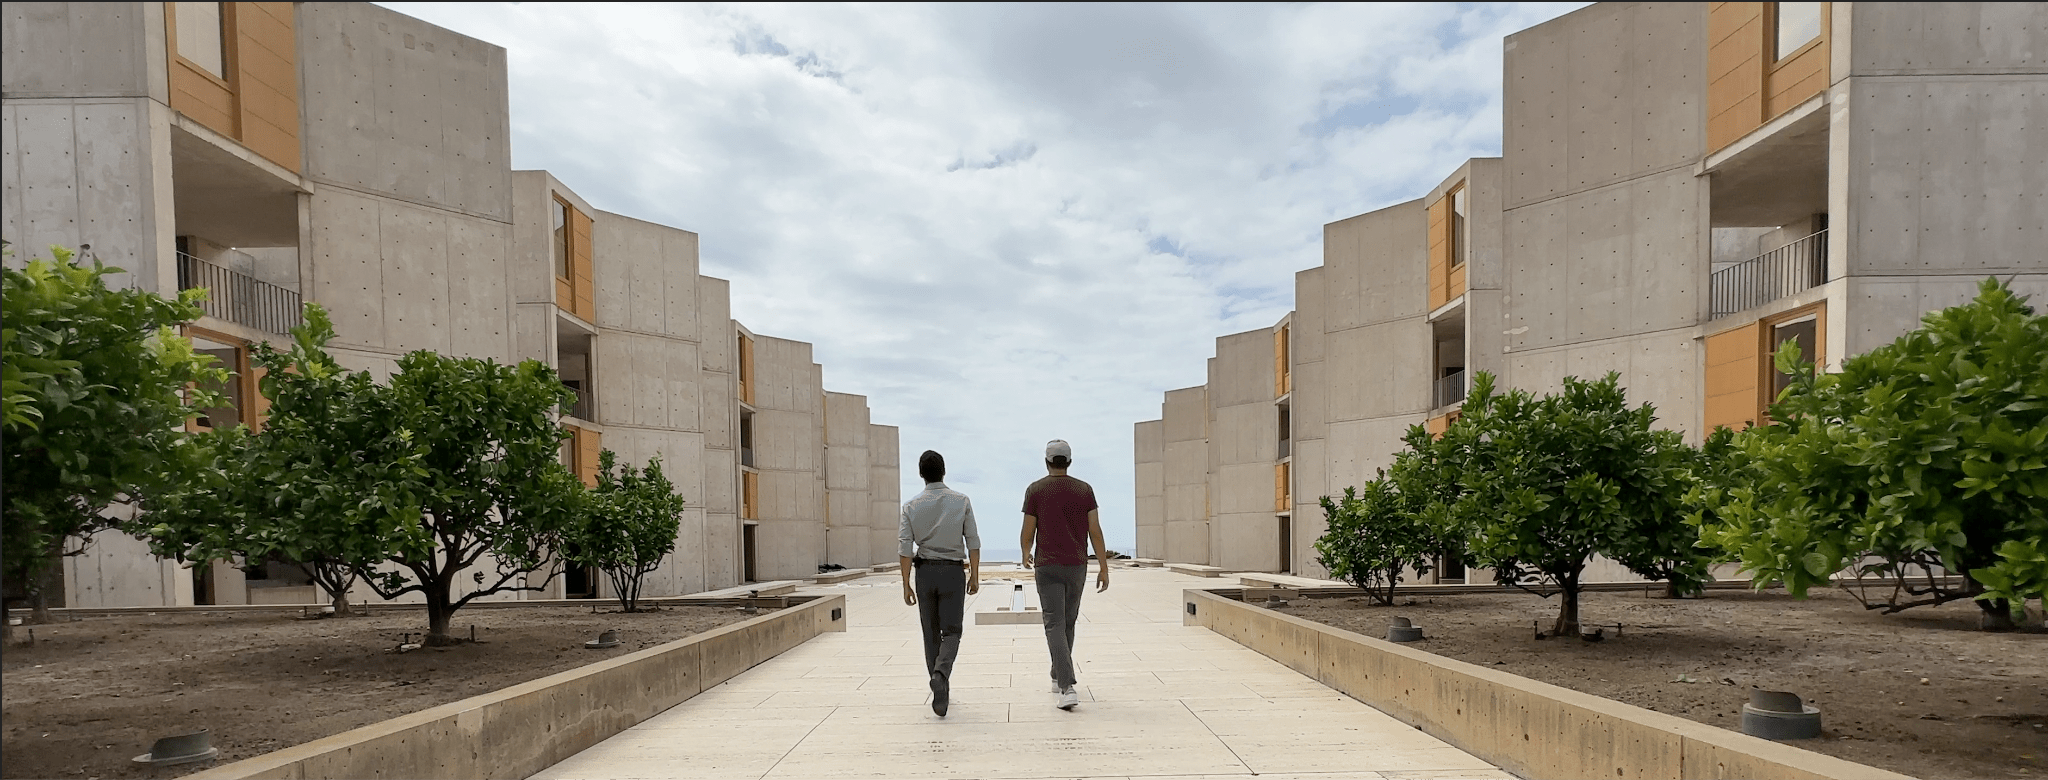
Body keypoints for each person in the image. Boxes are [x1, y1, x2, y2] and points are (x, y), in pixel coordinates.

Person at [1019, 439, 1108, 711]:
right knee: (1067, 622)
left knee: (1054, 623)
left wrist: (1025, 552)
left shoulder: (1035, 490)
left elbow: (1028, 530)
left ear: (1047, 461)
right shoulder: (1084, 490)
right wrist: (1103, 566)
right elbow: (1095, 530)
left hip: (1047, 566)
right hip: (1077, 566)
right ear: (1069, 461)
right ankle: (1058, 673)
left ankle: (1066, 685)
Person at [898, 449, 980, 717]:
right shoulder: (961, 501)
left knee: (930, 632)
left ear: (921, 474)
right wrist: (975, 575)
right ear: (943, 471)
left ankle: (939, 688)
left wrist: (905, 583)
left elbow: (905, 548)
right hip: (953, 572)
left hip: (925, 573)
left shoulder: (910, 506)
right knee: (952, 631)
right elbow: (973, 542)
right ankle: (941, 674)